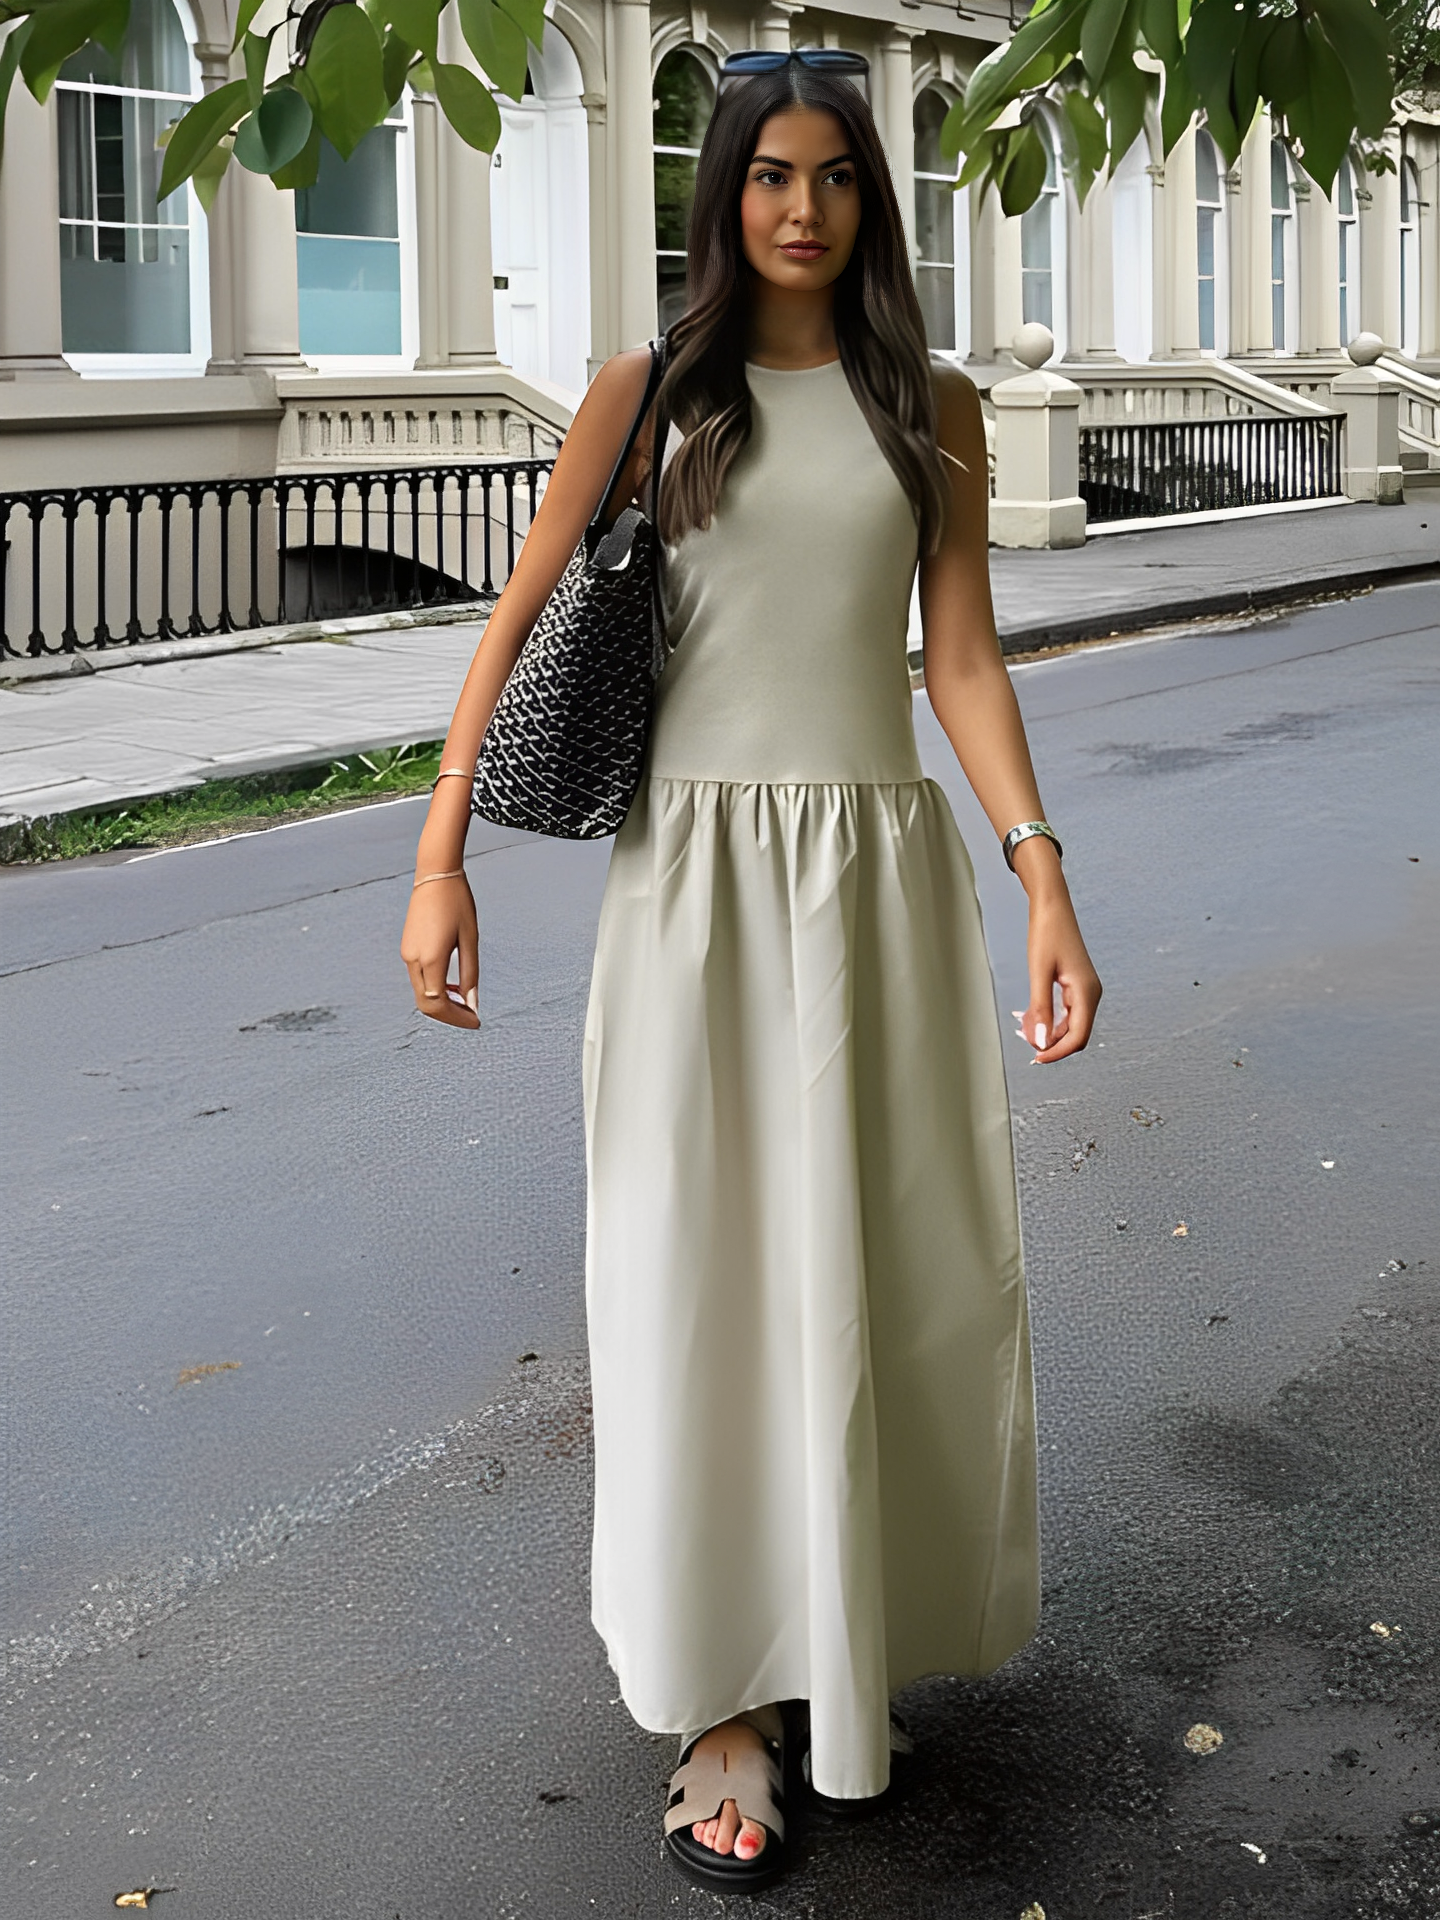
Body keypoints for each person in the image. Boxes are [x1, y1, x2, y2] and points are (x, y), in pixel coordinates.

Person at [401, 48, 1101, 1895]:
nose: (804, 208)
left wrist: (1041, 871)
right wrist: (440, 855)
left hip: (876, 880)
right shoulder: (649, 395)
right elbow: (522, 615)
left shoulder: (932, 405)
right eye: (772, 175)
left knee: (884, 1269)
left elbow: (961, 656)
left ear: (873, 198)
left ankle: (841, 1640)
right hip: (695, 890)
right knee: (695, 1274)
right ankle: (720, 1701)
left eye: (838, 176)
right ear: (723, 196)